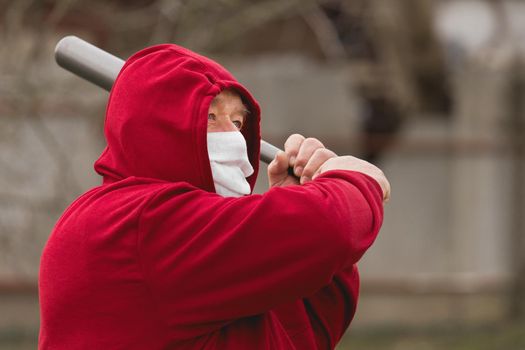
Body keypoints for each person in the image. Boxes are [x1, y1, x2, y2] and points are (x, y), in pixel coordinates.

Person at [38, 43, 390, 349]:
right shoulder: (136, 221)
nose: (234, 138)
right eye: (210, 117)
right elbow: (330, 229)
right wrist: (356, 182)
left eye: (237, 123)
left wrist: (300, 218)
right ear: (158, 127)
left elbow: (299, 336)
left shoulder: (201, 252)